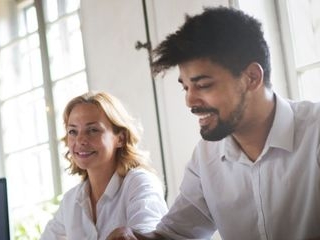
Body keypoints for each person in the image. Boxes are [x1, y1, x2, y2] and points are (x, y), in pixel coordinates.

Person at [108, 7, 320, 240]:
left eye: (204, 85)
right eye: (186, 87)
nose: (189, 101)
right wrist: (135, 237)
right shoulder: (206, 156)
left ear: (252, 77)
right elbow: (176, 234)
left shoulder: (315, 132)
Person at [40, 92, 168, 240]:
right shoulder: (71, 200)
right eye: (73, 131)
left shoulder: (140, 183)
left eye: (93, 130)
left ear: (120, 138)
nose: (80, 140)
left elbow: (145, 234)